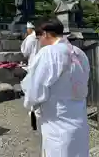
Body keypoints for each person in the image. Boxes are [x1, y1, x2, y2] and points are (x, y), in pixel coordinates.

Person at [21, 18, 90, 157]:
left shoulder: (49, 53)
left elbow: (35, 89)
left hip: (57, 119)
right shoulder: (79, 52)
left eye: (39, 37)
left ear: (45, 34)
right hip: (79, 116)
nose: (39, 41)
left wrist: (30, 105)